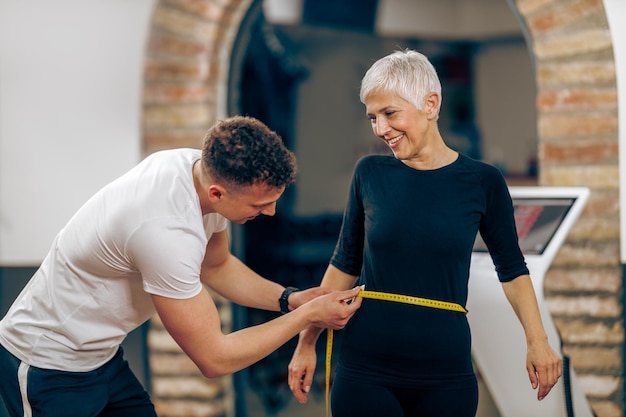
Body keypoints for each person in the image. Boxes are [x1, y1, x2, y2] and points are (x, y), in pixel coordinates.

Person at [0, 115, 363, 417]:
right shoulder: (163, 231)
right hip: (48, 363)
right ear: (219, 193)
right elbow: (214, 359)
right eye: (259, 205)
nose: (269, 212)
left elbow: (217, 267)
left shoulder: (199, 171)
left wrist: (291, 299)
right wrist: (307, 316)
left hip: (100, 357)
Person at [287, 49, 562, 417]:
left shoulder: (482, 182)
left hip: (445, 373)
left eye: (389, 113)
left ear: (431, 104)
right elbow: (344, 263)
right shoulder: (370, 173)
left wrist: (538, 341)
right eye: (372, 117)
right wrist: (307, 341)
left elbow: (511, 270)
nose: (380, 129)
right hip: (366, 368)